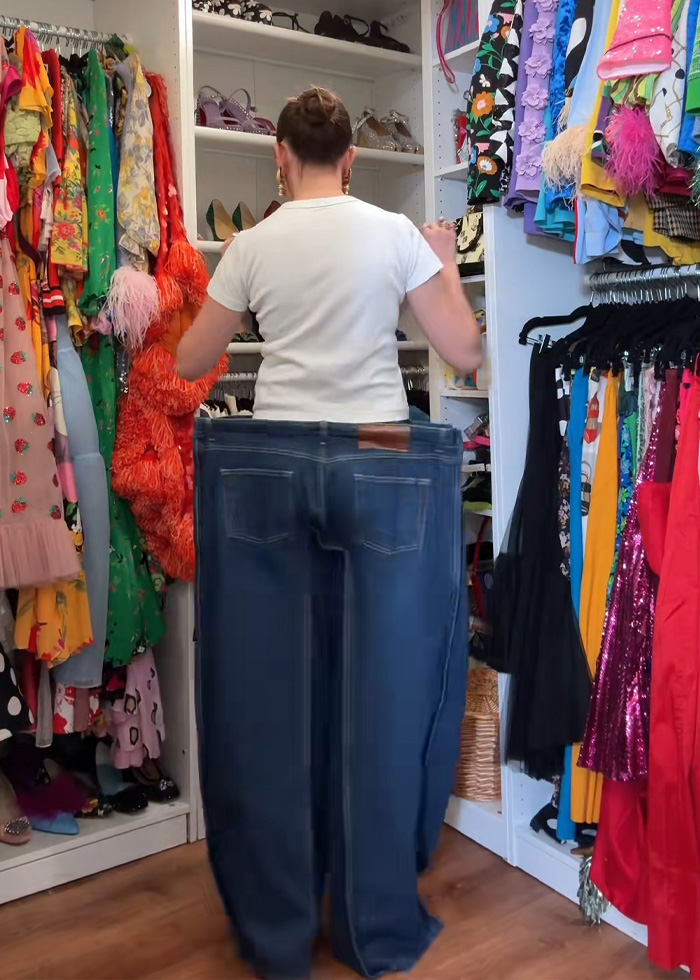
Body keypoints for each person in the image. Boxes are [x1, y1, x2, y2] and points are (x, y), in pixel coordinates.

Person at [180, 87, 481, 980]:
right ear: (351, 156)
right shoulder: (391, 232)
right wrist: (443, 263)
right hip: (380, 455)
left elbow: (195, 363)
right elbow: (462, 353)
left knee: (270, 697)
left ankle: (277, 931)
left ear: (279, 156)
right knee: (378, 698)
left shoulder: (251, 243)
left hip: (266, 462)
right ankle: (368, 921)